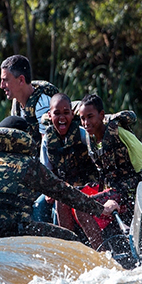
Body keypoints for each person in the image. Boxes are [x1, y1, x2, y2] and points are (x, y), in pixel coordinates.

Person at [0, 116, 119, 241]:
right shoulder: (29, 164)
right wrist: (101, 209)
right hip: (13, 229)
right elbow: (64, 192)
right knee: (70, 239)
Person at [77, 94, 142, 248]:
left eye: (90, 117)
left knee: (82, 207)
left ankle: (100, 254)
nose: (86, 123)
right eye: (82, 118)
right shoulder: (90, 138)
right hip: (111, 190)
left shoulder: (119, 133)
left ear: (101, 115)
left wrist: (141, 203)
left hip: (128, 191)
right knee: (69, 198)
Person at [40, 93, 99, 233]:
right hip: (62, 189)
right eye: (57, 113)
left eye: (66, 113)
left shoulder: (83, 135)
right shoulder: (47, 140)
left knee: (63, 202)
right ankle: (60, 243)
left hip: (87, 187)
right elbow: (45, 171)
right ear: (49, 115)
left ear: (72, 114)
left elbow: (99, 165)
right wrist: (49, 191)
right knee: (39, 206)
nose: (62, 118)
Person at [0, 54, 59, 153]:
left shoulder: (42, 103)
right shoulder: (16, 102)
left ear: (21, 80)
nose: (1, 85)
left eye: (5, 80)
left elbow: (47, 147)